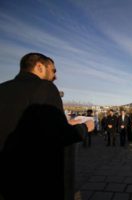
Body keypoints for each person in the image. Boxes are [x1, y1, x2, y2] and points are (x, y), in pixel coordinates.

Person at [0, 52, 94, 200]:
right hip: (37, 180)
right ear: (39, 67)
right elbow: (60, 136)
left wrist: (64, 123)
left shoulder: (3, 88)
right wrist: (86, 127)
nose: (55, 76)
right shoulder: (45, 88)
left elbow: (29, 126)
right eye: (54, 70)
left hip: (5, 178)